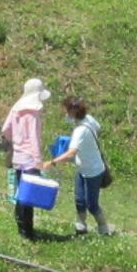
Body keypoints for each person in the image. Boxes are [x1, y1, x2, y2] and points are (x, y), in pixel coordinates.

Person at [40, 96, 114, 236]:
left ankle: (103, 228)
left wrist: (52, 162)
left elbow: (71, 153)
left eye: (66, 110)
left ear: (73, 111)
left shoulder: (80, 130)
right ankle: (81, 226)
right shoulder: (89, 119)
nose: (65, 113)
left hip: (93, 171)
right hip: (82, 168)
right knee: (79, 200)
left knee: (92, 204)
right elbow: (98, 129)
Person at [0, 77, 49, 241]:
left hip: (18, 156)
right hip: (30, 159)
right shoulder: (32, 112)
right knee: (29, 196)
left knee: (21, 192)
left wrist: (16, 141)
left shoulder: (16, 108)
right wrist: (38, 159)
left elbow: (5, 129)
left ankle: (21, 227)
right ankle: (27, 231)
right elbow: (34, 138)